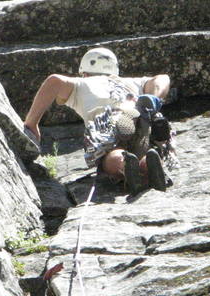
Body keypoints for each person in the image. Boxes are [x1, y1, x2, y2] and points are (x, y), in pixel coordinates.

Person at [23, 47, 171, 193]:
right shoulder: (131, 82)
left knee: (110, 154)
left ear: (84, 73)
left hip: (105, 122)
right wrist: (152, 97)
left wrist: (32, 123)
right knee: (147, 148)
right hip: (138, 113)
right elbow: (163, 78)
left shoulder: (81, 84)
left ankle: (124, 166)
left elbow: (54, 81)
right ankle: (148, 164)